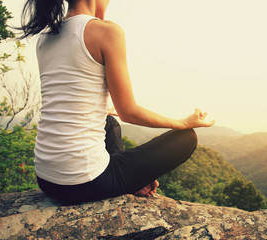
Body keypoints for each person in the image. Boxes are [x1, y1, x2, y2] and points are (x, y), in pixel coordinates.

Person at [19, 0, 214, 204]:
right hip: (84, 182)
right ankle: (129, 182)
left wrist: (98, 109)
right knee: (187, 138)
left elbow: (66, 96)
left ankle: (129, 180)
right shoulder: (107, 31)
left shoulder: (45, 37)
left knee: (109, 123)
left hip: (47, 179)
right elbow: (129, 112)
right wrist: (184, 123)